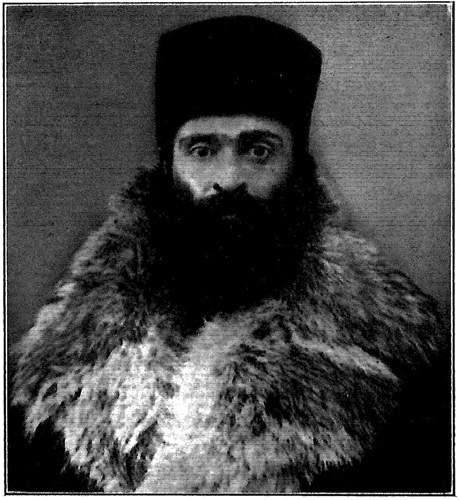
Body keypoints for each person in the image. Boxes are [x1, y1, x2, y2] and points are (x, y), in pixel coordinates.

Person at [9, 15, 451, 493]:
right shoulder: (57, 371)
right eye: (202, 150)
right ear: (167, 166)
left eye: (258, 151)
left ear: (297, 167)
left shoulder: (404, 367)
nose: (229, 178)